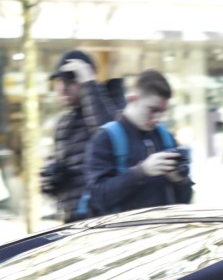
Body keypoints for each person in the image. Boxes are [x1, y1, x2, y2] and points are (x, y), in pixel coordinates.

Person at [82, 68, 193, 216]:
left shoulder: (165, 137)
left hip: (166, 232)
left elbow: (185, 200)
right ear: (133, 99)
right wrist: (141, 172)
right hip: (124, 235)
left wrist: (180, 181)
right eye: (153, 110)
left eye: (162, 112)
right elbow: (98, 198)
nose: (158, 118)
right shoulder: (105, 138)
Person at [41, 50, 118, 223]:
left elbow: (109, 133)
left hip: (101, 219)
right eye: (59, 81)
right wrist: (50, 181)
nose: (62, 87)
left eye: (70, 80)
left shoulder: (108, 108)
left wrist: (89, 83)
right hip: (70, 221)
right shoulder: (63, 122)